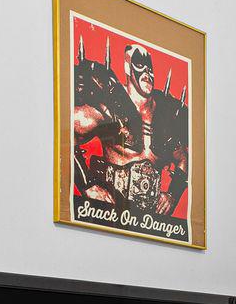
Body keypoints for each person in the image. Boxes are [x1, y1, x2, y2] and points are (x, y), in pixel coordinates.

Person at [72, 40, 191, 219]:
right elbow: (66, 132)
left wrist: (172, 194)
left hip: (150, 222)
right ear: (128, 68)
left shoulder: (165, 116)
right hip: (112, 214)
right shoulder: (110, 108)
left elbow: (183, 158)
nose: (147, 73)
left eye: (150, 69)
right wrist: (87, 184)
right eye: (140, 66)